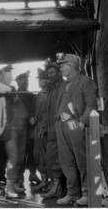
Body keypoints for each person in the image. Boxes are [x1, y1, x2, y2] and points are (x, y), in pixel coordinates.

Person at [54, 53, 98, 206]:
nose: (61, 68)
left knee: (82, 161)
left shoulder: (86, 81)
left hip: (75, 127)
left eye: (63, 65)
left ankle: (86, 193)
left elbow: (91, 105)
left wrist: (81, 123)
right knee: (67, 162)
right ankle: (72, 193)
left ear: (71, 66)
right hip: (61, 126)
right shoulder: (64, 84)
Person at [0, 65, 20, 197]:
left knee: (14, 157)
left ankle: (9, 187)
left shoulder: (10, 88)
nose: (11, 77)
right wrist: (11, 89)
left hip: (8, 128)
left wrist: (12, 90)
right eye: (8, 75)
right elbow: (0, 88)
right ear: (2, 75)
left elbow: (14, 96)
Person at [40, 61, 65, 199]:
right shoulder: (50, 89)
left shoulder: (64, 86)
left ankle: (58, 188)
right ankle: (56, 186)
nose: (49, 75)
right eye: (48, 73)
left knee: (59, 161)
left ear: (59, 73)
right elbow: (46, 111)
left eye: (52, 73)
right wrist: (43, 127)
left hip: (60, 130)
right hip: (50, 131)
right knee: (50, 160)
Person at [13, 72, 37, 190]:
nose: (26, 83)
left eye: (27, 81)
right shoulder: (15, 95)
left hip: (30, 130)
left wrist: (32, 117)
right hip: (20, 130)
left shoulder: (31, 95)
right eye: (23, 81)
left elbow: (34, 109)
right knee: (20, 155)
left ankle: (33, 175)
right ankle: (19, 179)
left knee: (32, 153)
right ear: (18, 82)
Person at [31, 68, 50, 191]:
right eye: (39, 79)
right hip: (37, 129)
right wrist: (31, 117)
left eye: (42, 79)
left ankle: (52, 183)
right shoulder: (38, 96)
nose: (39, 82)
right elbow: (32, 111)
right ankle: (44, 180)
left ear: (48, 80)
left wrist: (44, 127)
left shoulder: (51, 95)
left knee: (48, 155)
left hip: (47, 129)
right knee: (38, 155)